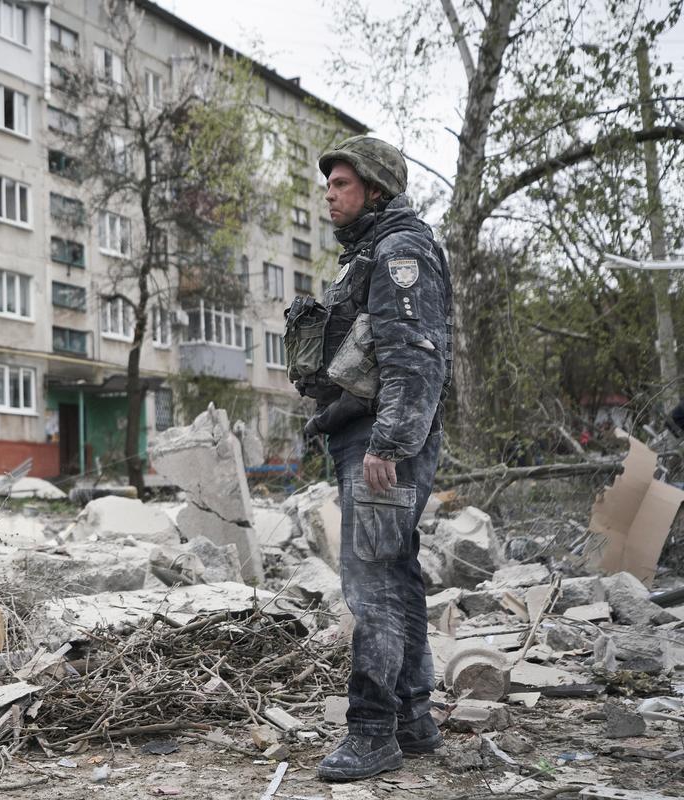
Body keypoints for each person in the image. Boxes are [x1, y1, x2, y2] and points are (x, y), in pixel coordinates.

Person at [296, 136, 454, 781]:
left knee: (373, 583)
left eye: (341, 184)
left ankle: (372, 731)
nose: (328, 194)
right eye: (328, 183)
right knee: (396, 573)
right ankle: (413, 719)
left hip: (382, 446)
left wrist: (389, 443)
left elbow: (414, 354)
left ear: (376, 189)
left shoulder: (399, 251)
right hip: (367, 436)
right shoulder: (371, 251)